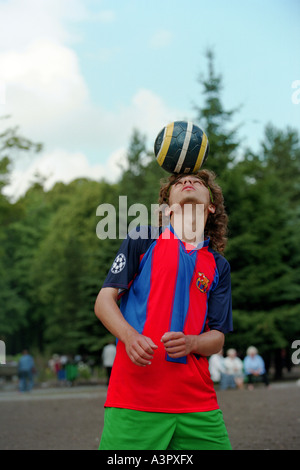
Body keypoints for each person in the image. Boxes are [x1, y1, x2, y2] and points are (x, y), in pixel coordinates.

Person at [94, 170, 233, 450]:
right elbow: (103, 301)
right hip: (134, 400)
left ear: (211, 207)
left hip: (198, 406)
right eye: (179, 183)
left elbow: (217, 338)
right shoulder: (142, 239)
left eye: (197, 182)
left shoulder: (219, 266)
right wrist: (130, 337)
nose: (187, 182)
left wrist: (193, 342)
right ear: (168, 209)